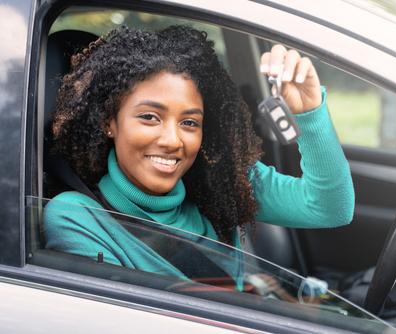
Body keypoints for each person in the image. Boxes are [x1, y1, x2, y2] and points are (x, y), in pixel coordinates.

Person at [42, 25, 355, 285]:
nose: (172, 140)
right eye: (150, 117)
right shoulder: (78, 218)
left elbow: (331, 208)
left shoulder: (221, 182)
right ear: (109, 122)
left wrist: (310, 113)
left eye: (189, 122)